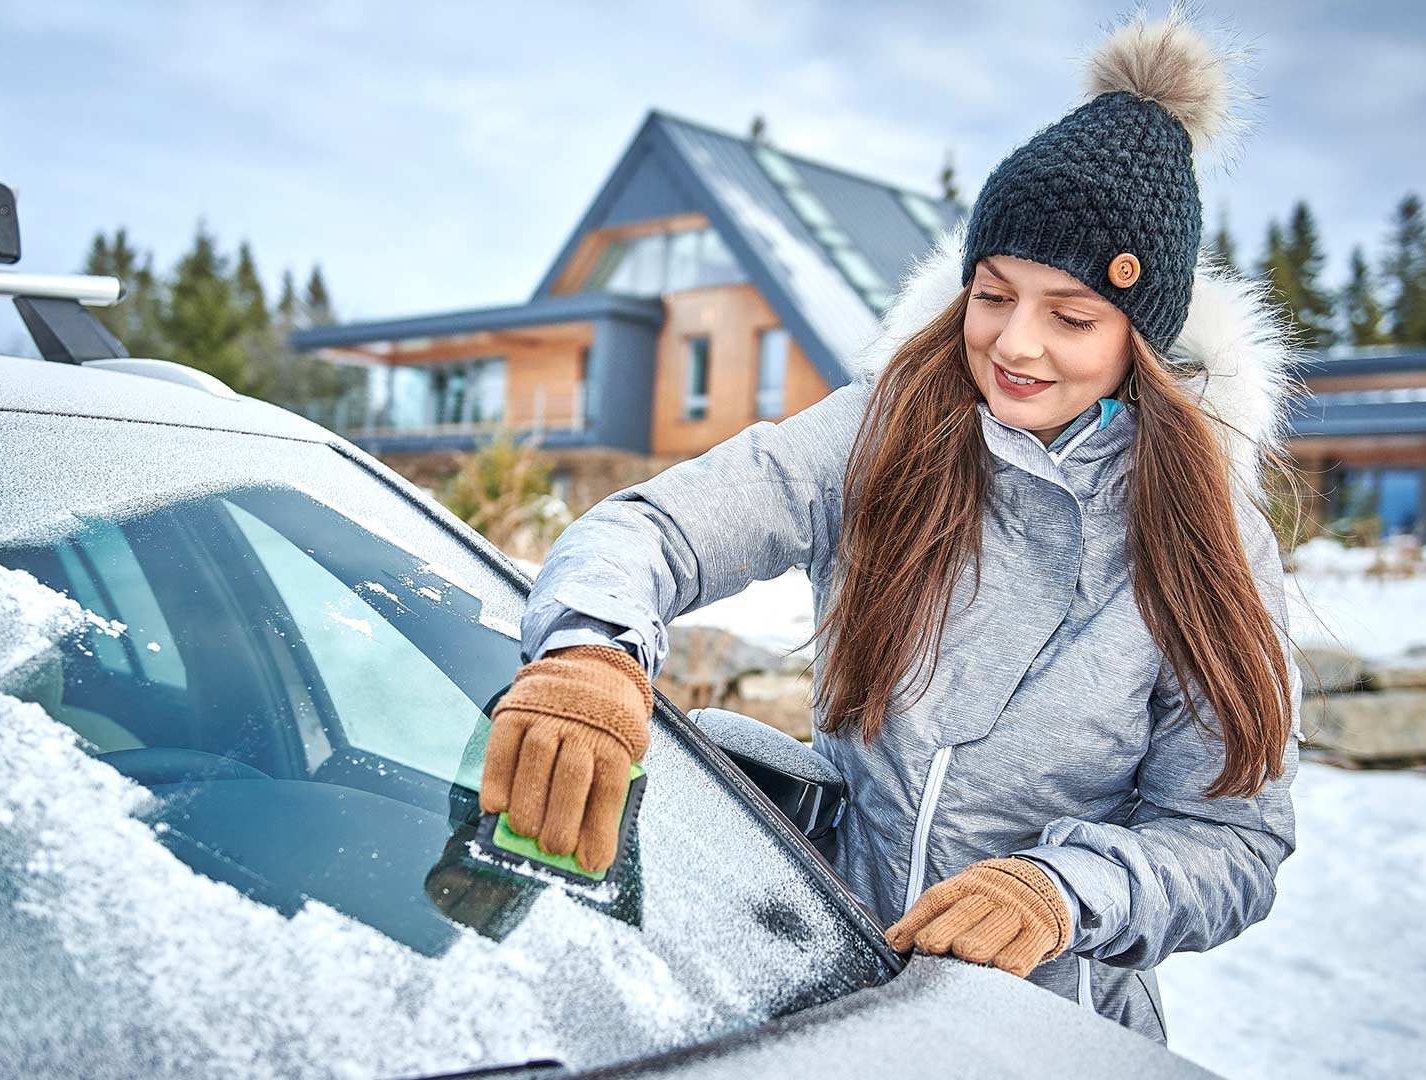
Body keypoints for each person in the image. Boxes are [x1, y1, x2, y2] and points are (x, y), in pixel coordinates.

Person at [478, 2, 1309, 1045]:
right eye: (994, 295)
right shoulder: (882, 435)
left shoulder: (1205, 533)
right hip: (832, 994)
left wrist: (1065, 893)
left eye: (1073, 316)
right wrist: (590, 653)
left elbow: (1230, 838)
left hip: (1041, 1035)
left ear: (1142, 338)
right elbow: (655, 529)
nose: (1017, 344)